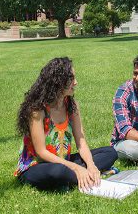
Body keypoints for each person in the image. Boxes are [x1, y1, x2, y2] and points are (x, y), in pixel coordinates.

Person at [14, 57, 118, 191]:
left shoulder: (72, 105)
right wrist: (76, 167)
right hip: (37, 166)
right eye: (71, 79)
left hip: (64, 161)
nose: (76, 82)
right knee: (59, 172)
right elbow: (41, 153)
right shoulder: (37, 110)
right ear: (57, 82)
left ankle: (85, 174)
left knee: (110, 152)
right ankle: (84, 176)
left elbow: (81, 142)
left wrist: (91, 165)